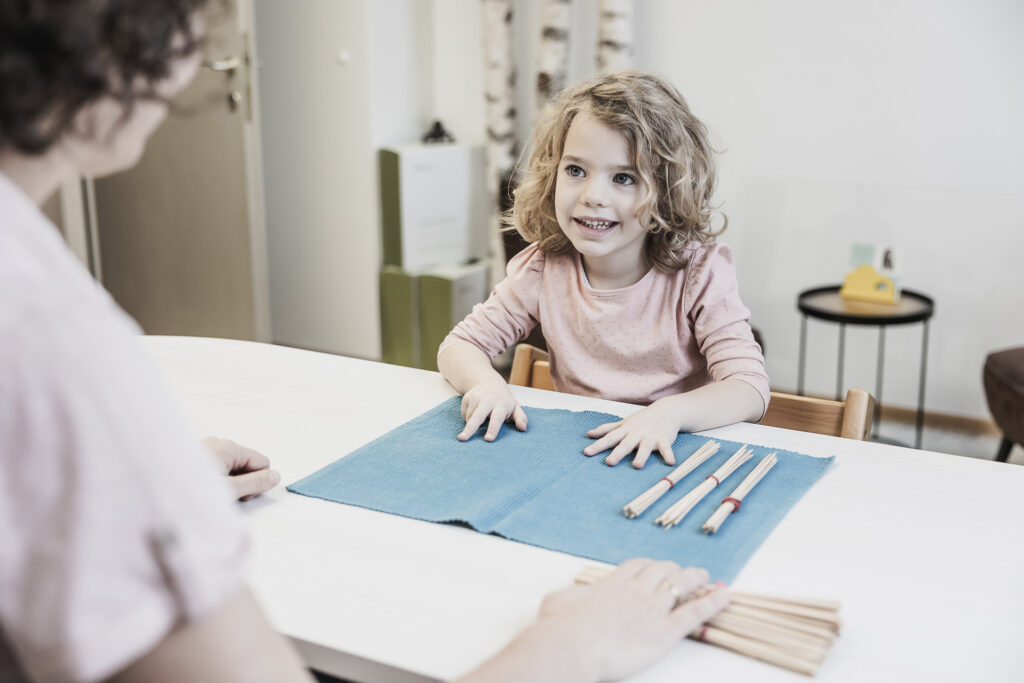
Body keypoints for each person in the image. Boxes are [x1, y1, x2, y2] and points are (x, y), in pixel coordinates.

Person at [0, 2, 728, 682]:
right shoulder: (48, 335)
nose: (192, 56)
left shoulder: (41, 303)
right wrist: (570, 649)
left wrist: (159, 485)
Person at [438, 71, 769, 469]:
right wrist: (485, 383)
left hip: (671, 458)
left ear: (667, 192)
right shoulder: (543, 267)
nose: (593, 196)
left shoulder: (698, 275)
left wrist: (670, 414)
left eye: (624, 178)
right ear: (552, 173)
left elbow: (749, 387)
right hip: (579, 457)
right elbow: (459, 346)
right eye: (576, 170)